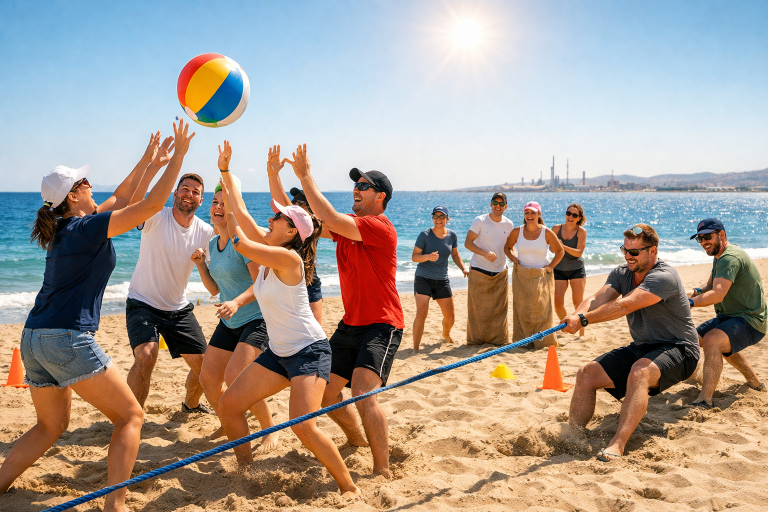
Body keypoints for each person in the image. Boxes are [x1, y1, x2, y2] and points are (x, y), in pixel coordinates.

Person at [0, 121, 193, 511]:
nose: (91, 184)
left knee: (50, 426)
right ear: (73, 196)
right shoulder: (86, 227)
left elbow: (122, 197)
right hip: (66, 337)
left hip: (34, 337)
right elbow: (151, 205)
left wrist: (151, 161)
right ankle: (115, 505)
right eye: (84, 181)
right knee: (131, 417)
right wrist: (181, 158)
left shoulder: (66, 227)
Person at [215, 177, 361, 499]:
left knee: (303, 425)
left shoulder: (289, 259)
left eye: (277, 217)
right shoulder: (271, 251)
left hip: (309, 351)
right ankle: (246, 470)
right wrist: (226, 174)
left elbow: (241, 241)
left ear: (292, 231)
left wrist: (232, 215)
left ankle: (348, 486)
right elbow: (241, 213)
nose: (270, 220)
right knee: (229, 406)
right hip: (279, 353)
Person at [286, 144, 404, 478]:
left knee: (364, 392)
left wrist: (306, 176)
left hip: (383, 323)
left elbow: (329, 217)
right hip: (351, 324)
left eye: (363, 185)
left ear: (379, 197)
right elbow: (305, 221)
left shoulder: (380, 227)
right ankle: (356, 438)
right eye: (356, 184)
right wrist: (274, 181)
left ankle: (383, 470)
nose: (356, 189)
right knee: (326, 395)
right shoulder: (349, 228)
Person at [563, 224, 700, 462]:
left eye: (634, 252)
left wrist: (584, 320)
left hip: (681, 348)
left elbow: (625, 304)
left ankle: (618, 444)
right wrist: (576, 315)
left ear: (652, 251)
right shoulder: (622, 272)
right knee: (586, 374)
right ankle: (573, 435)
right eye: (624, 250)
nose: (628, 256)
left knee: (640, 373)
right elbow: (598, 298)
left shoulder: (663, 277)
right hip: (643, 346)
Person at [193, 167, 280, 450]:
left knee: (236, 377)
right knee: (207, 378)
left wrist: (236, 302)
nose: (218, 207)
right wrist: (200, 265)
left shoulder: (241, 242)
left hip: (255, 317)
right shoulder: (211, 243)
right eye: (215, 202)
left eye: (225, 203)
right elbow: (214, 290)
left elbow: (260, 284)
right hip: (230, 320)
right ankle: (230, 420)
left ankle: (270, 428)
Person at [125, 146, 216, 412]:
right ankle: (132, 419)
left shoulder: (206, 232)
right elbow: (134, 205)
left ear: (201, 200)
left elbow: (214, 276)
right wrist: (153, 165)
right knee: (145, 355)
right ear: (175, 193)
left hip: (177, 308)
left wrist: (201, 264)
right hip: (142, 302)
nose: (190, 194)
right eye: (185, 189)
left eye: (196, 192)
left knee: (205, 367)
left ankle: (190, 405)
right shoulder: (155, 215)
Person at [687, 218, 767, 409]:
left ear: (721, 235)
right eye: (700, 239)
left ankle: (705, 399)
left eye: (708, 237)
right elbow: (709, 285)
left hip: (750, 320)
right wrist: (694, 292)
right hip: (730, 317)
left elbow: (718, 294)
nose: (704, 242)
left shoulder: (730, 257)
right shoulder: (720, 255)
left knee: (713, 340)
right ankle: (754, 382)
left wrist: (689, 303)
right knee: (694, 338)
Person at [264, 144, 322, 323]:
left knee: (313, 332)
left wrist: (274, 176)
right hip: (287, 278)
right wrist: (273, 175)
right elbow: (283, 204)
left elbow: (283, 202)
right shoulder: (295, 221)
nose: (295, 204)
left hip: (309, 282)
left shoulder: (314, 224)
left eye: (300, 202)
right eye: (294, 201)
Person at [505, 201, 564, 348]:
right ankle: (523, 342)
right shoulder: (517, 231)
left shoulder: (546, 232)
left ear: (539, 214)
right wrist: (513, 258)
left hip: (542, 275)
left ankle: (544, 342)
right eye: (527, 213)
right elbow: (507, 247)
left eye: (532, 212)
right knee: (522, 308)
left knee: (542, 309)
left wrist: (550, 267)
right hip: (521, 275)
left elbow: (560, 251)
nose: (529, 216)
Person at [411, 206, 468, 353]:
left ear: (447, 219)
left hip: (442, 279)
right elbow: (414, 256)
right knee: (421, 312)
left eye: (441, 217)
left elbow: (455, 254)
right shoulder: (424, 235)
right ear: (432, 218)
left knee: (450, 317)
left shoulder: (452, 236)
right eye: (435, 216)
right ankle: (416, 348)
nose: (438, 219)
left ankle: (445, 334)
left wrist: (463, 268)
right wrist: (427, 257)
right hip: (423, 278)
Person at [464, 193, 515, 346]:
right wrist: (485, 253)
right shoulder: (480, 220)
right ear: (490, 204)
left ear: (506, 207)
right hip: (479, 270)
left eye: (501, 204)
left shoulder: (509, 224)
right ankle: (475, 341)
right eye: (495, 203)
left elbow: (509, 247)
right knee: (477, 310)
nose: (497, 206)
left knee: (498, 311)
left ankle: (498, 340)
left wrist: (518, 260)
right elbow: (468, 243)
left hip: (500, 272)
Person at [553, 203, 588, 338]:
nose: (570, 217)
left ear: (579, 218)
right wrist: (556, 247)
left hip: (576, 269)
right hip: (559, 268)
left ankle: (581, 333)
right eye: (569, 213)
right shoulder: (556, 228)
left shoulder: (581, 232)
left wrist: (561, 246)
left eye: (574, 215)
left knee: (578, 303)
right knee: (557, 303)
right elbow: (551, 249)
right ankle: (566, 325)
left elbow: (579, 252)